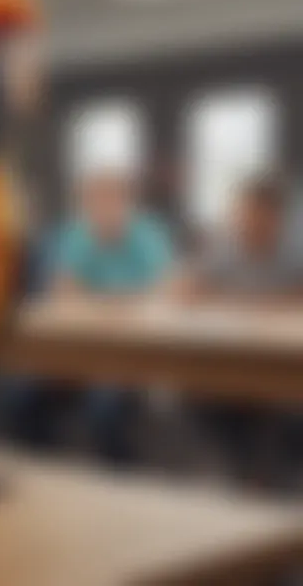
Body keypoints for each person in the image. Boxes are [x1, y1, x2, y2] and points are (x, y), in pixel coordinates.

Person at [182, 174, 303, 489]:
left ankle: (264, 480)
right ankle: (236, 473)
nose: (245, 220)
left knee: (276, 406)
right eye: (241, 212)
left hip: (284, 364)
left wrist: (240, 301)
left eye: (253, 213)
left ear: (274, 216)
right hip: (231, 357)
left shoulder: (295, 248)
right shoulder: (225, 246)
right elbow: (188, 290)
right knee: (197, 392)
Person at [47, 170, 175, 465]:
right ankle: (49, 470)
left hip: (135, 351)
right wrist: (118, 302)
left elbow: (168, 290)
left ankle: (116, 475)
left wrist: (100, 301)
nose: (102, 208)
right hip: (80, 347)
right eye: (93, 200)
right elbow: (62, 290)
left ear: (126, 202)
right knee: (21, 396)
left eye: (110, 199)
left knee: (104, 405)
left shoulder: (149, 234)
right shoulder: (77, 234)